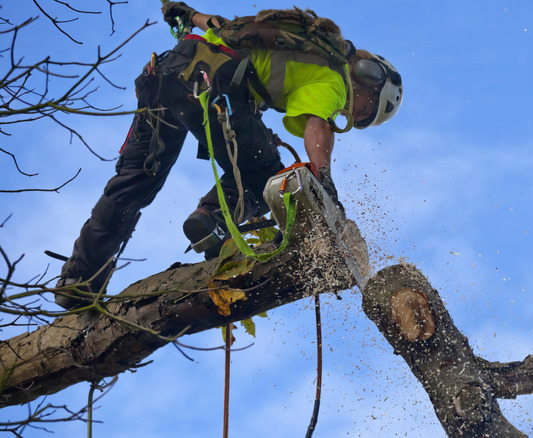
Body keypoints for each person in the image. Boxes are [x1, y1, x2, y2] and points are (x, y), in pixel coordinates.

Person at [54, 3, 403, 310]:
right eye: (365, 112)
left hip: (166, 75)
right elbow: (318, 124)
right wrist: (322, 180)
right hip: (214, 86)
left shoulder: (292, 39)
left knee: (132, 184)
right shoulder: (334, 78)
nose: (355, 114)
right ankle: (211, 219)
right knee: (267, 177)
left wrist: (188, 14)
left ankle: (78, 280)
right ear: (368, 83)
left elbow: (219, 25)